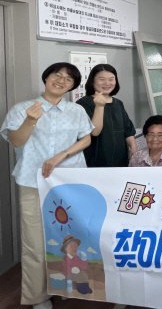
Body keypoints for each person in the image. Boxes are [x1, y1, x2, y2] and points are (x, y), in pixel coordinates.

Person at [1, 62, 93, 309]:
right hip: (33, 182)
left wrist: (62, 155)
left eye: (68, 79)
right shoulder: (22, 109)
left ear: (73, 86)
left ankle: (66, 285)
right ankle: (37, 296)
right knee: (34, 242)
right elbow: (16, 140)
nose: (61, 81)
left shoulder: (76, 110)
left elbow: (86, 138)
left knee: (69, 237)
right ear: (46, 77)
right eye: (57, 75)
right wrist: (30, 121)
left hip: (68, 182)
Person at [76, 64, 136, 167]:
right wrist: (99, 106)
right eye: (102, 79)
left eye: (111, 79)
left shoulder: (118, 103)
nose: (107, 83)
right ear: (92, 81)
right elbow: (94, 132)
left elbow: (128, 130)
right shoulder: (83, 104)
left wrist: (133, 148)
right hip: (94, 163)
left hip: (121, 161)